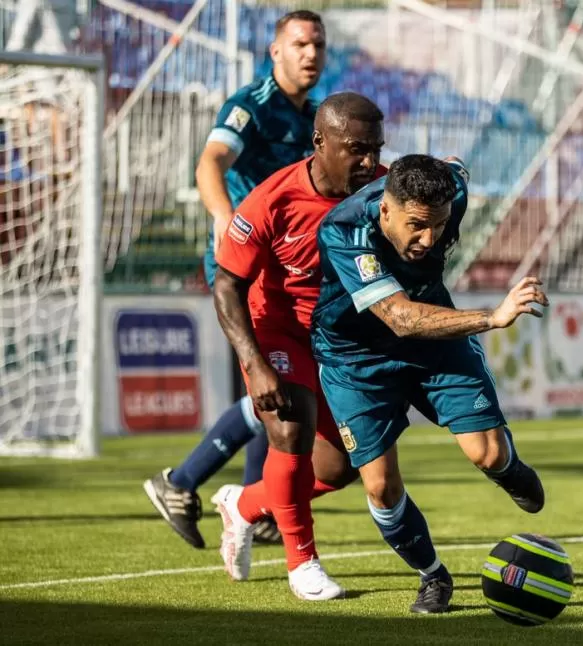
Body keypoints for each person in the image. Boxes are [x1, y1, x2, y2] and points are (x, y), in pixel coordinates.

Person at [319, 154, 545, 613]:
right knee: (380, 486)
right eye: (417, 225)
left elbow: (457, 166)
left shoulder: (451, 191)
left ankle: (508, 469)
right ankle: (433, 576)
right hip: (355, 358)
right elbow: (400, 318)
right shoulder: (343, 231)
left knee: (489, 453)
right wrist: (492, 318)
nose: (429, 239)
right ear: (385, 209)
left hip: (434, 340)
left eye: (439, 226)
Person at [142, 10, 328, 548]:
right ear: (276, 52)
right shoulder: (252, 105)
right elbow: (210, 163)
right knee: (276, 383)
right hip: (242, 265)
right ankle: (180, 482)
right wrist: (224, 217)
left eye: (317, 44)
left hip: (288, 272)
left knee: (276, 383)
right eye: (299, 44)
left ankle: (254, 500)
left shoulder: (316, 115)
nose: (310, 53)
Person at [209, 91, 385, 600]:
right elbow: (226, 286)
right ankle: (303, 565)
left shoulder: (381, 188)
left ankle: (243, 506)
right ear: (319, 142)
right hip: (278, 329)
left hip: (339, 338)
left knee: (339, 467)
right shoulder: (270, 200)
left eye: (375, 148)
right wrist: (254, 362)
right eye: (356, 148)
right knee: (290, 430)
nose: (368, 161)